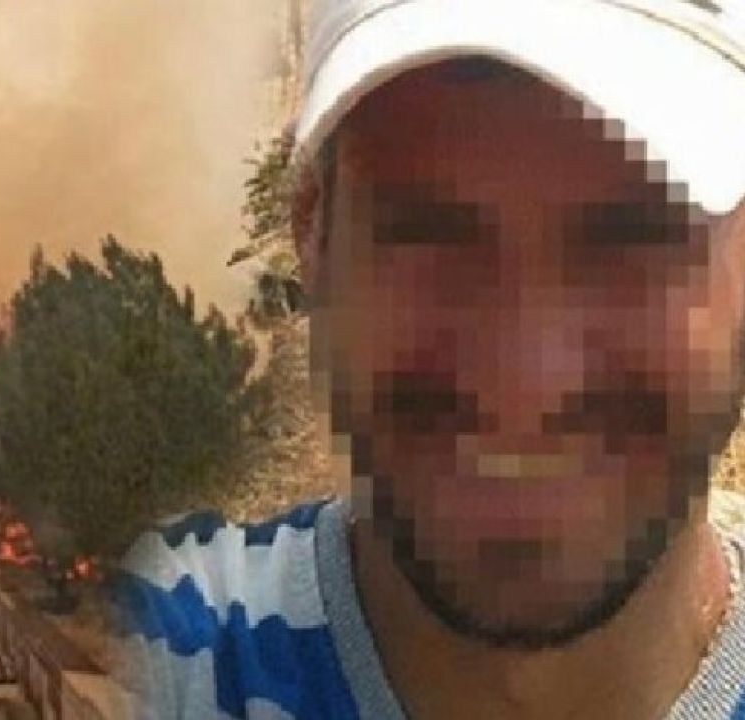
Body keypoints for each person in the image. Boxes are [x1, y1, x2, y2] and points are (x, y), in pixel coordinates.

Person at [114, 1, 745, 718]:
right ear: (313, 238)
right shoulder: (151, 659)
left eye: (635, 237)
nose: (524, 389)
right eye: (431, 234)